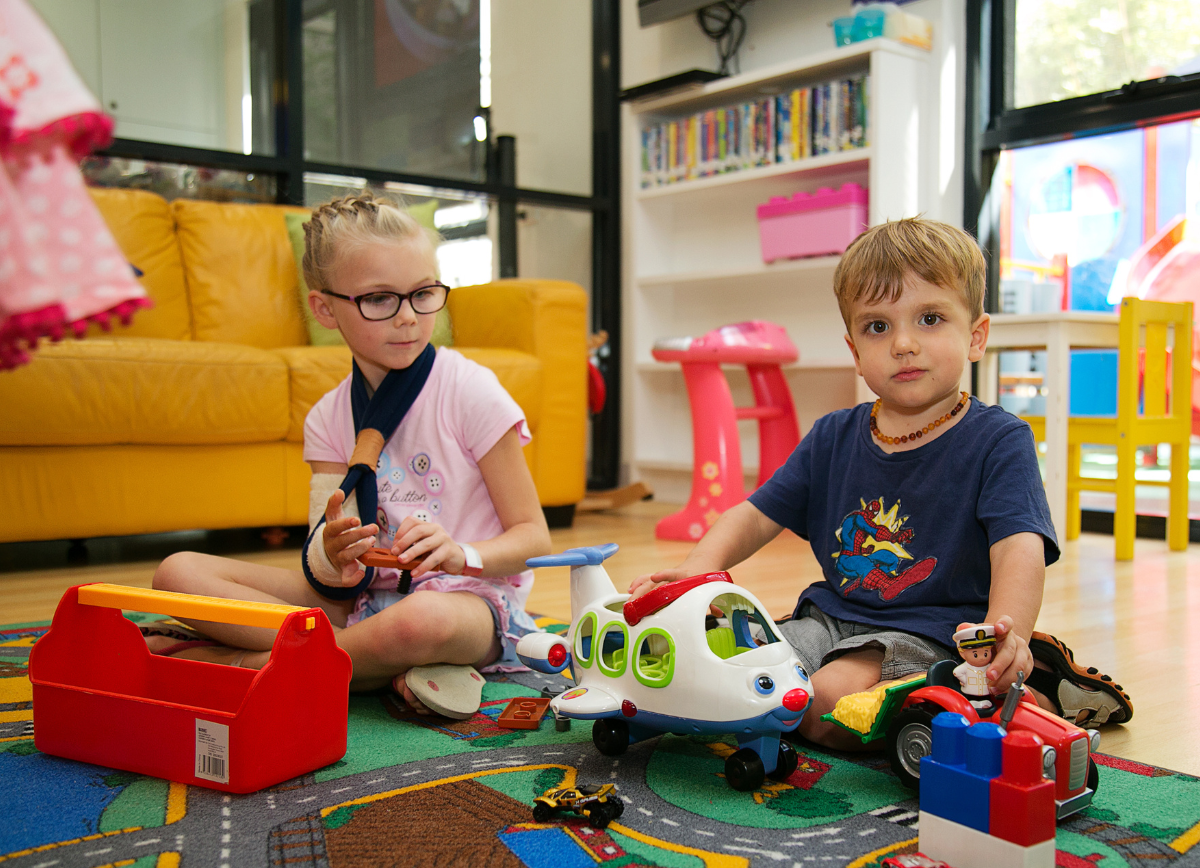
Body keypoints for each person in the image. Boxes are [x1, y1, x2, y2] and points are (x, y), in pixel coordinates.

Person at [630, 217, 1133, 749]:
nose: (904, 344)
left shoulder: (999, 440)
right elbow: (754, 515)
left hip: (935, 631)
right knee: (730, 666)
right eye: (878, 327)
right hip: (828, 617)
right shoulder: (832, 435)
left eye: (930, 318)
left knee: (821, 704)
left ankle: (1034, 693)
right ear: (855, 351)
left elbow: (1019, 548)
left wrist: (1004, 633)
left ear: (976, 337)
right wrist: (693, 574)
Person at [151, 192, 551, 716]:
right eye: (380, 300)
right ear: (325, 308)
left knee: (419, 622)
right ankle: (369, 667)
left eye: (423, 294)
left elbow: (533, 538)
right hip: (360, 602)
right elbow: (326, 561)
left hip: (468, 601)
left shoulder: (472, 391)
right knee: (177, 573)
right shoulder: (327, 418)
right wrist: (334, 549)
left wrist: (462, 554)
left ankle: (249, 664)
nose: (408, 318)